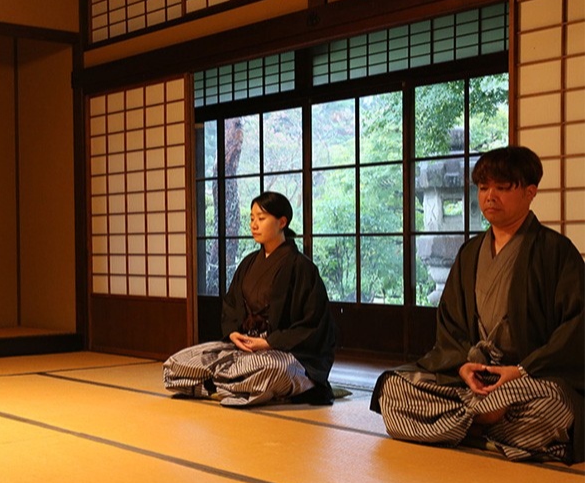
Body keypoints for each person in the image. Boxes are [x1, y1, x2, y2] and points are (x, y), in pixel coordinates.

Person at [371, 146, 584, 463]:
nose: (490, 197)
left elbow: (575, 329)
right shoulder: (470, 253)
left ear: (530, 192)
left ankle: (461, 426)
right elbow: (450, 328)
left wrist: (519, 371)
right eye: (484, 188)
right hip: (473, 380)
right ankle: (488, 426)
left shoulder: (556, 252)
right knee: (393, 390)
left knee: (554, 405)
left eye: (502, 188)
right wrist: (463, 366)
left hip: (527, 379)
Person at [163, 191, 337, 407]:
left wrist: (269, 342)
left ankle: (221, 385)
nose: (254, 225)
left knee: (271, 370)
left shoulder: (302, 267)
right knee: (177, 364)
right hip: (244, 347)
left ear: (282, 222)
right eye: (252, 218)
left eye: (261, 218)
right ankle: (233, 386)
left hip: (281, 351)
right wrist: (233, 334)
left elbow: (313, 324)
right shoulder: (248, 263)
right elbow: (231, 305)